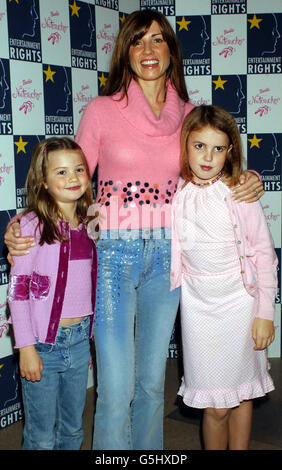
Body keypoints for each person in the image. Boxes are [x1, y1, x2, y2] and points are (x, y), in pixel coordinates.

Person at [4, 10, 264, 450]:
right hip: (114, 257)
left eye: (158, 40)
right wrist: (23, 224)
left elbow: (211, 164)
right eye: (138, 40)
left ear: (171, 52)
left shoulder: (187, 113)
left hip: (170, 256)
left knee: (149, 383)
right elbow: (67, 181)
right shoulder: (102, 111)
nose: (148, 50)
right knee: (116, 385)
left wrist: (245, 178)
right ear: (125, 50)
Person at [170, 105, 277, 450]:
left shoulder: (239, 193)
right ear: (185, 144)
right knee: (215, 407)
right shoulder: (175, 194)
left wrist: (265, 313)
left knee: (243, 395)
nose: (208, 156)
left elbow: (264, 255)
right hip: (199, 308)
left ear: (230, 151)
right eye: (199, 145)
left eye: (218, 148)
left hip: (241, 305)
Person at [7, 137, 97, 450]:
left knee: (73, 429)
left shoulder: (92, 221)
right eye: (61, 172)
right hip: (44, 344)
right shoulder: (31, 226)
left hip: (79, 340)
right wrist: (26, 348)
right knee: (41, 435)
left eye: (79, 169)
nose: (72, 178)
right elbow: (18, 292)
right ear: (43, 182)